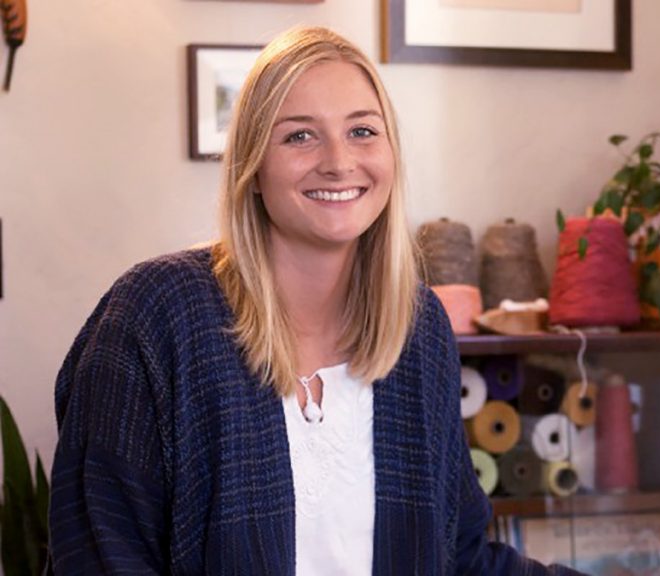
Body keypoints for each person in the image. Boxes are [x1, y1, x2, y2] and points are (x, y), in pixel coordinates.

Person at [49, 26, 584, 575]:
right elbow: (99, 556)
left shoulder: (418, 329)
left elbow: (461, 556)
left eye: (362, 131)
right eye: (300, 136)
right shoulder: (155, 316)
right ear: (252, 169)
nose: (338, 161)